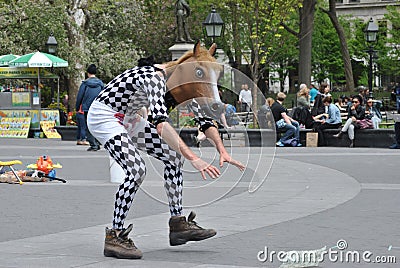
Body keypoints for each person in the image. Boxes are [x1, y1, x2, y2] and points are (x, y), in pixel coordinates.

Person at [87, 54, 245, 259]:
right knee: (137, 170)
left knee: (174, 158)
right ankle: (114, 236)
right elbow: (161, 124)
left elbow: (204, 122)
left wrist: (222, 150)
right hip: (105, 115)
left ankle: (178, 224)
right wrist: (193, 158)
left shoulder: (181, 85)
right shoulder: (153, 78)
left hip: (128, 118)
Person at [75, 64, 104, 151]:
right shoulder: (100, 84)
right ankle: (97, 142)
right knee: (97, 125)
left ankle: (93, 144)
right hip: (98, 107)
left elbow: (80, 96)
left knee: (89, 126)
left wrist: (77, 107)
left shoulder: (85, 84)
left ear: (88, 73)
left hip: (87, 107)